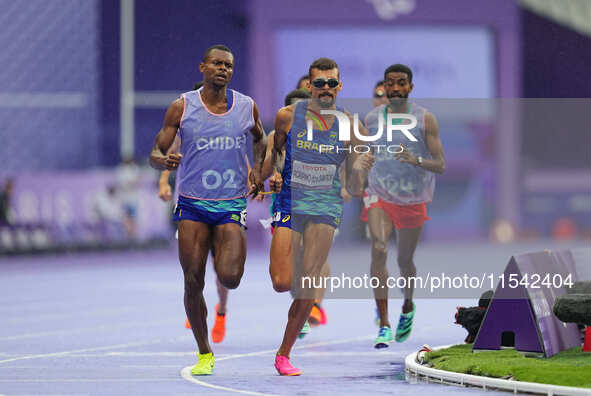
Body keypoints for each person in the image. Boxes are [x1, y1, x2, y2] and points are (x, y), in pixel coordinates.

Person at [149, 45, 266, 376]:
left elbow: (261, 139)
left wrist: (258, 170)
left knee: (230, 277)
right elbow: (155, 153)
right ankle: (204, 352)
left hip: (230, 204)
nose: (223, 69)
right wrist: (163, 162)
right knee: (193, 279)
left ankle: (221, 288)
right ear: (202, 67)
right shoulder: (182, 107)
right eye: (217, 64)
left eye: (228, 65)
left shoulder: (246, 107)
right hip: (192, 204)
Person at [267, 57, 373, 375]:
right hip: (289, 204)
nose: (325, 88)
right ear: (308, 85)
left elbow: (356, 182)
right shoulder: (287, 117)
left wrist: (358, 172)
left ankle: (283, 354)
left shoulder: (351, 125)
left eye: (331, 83)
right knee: (282, 281)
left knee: (308, 286)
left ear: (339, 87)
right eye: (319, 83)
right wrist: (266, 177)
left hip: (325, 207)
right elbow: (274, 153)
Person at [362, 64, 445, 348]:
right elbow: (361, 154)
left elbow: (441, 164)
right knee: (379, 247)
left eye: (401, 83)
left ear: (410, 87)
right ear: (384, 87)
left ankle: (407, 306)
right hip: (379, 195)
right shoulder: (372, 119)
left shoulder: (425, 119)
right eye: (390, 84)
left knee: (404, 260)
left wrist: (416, 160)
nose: (395, 88)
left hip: (413, 199)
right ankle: (383, 323)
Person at [158, 81, 229, 344]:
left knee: (223, 272)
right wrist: (164, 181)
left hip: (222, 204)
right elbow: (170, 155)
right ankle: (197, 306)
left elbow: (241, 157)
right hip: (191, 205)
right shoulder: (186, 125)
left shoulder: (227, 126)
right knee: (192, 267)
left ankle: (221, 311)